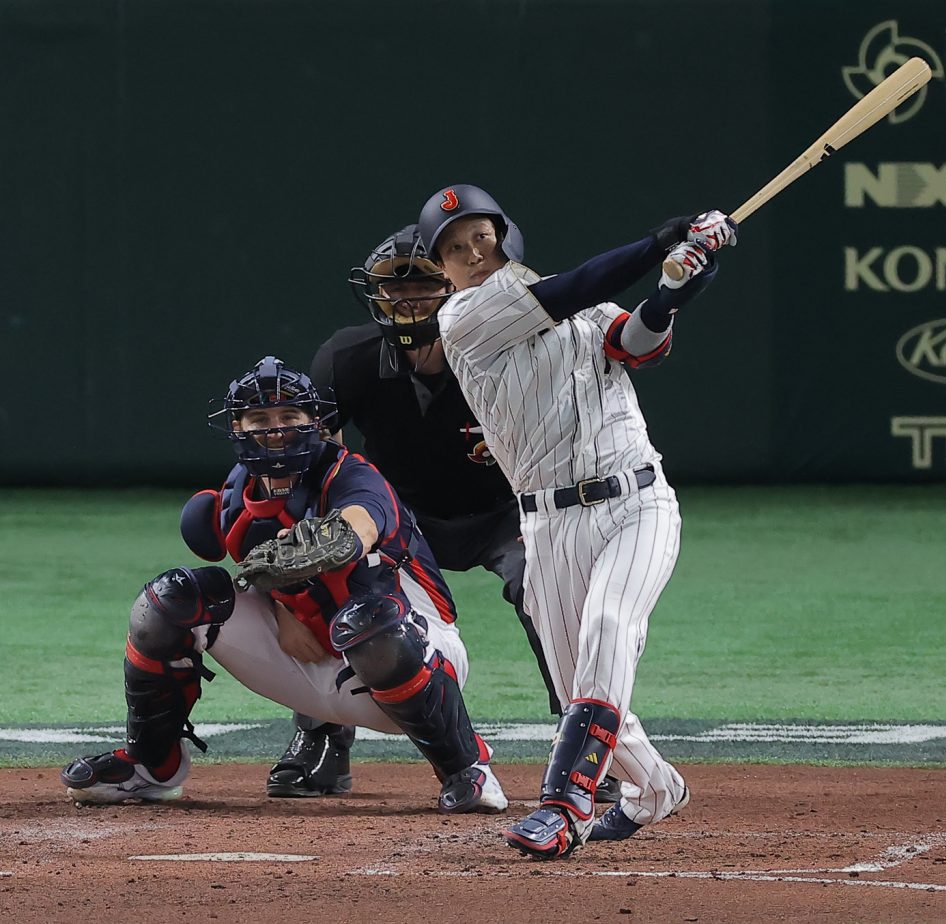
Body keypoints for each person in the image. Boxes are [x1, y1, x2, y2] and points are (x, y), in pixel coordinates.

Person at [416, 184, 737, 858]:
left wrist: (678, 285)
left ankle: (563, 807)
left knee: (609, 628)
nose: (472, 253)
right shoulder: (465, 317)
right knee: (577, 692)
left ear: (506, 234)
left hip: (636, 503)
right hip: (548, 528)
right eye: (453, 248)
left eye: (480, 235)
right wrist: (658, 244)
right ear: (441, 269)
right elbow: (568, 291)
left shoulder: (583, 302)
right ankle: (655, 790)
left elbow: (635, 341)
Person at [60, 355, 508, 816]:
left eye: (289, 418)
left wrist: (334, 539)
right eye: (260, 419)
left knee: (367, 622)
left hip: (413, 655)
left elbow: (363, 523)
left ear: (315, 423)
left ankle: (467, 769)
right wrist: (282, 609)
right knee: (170, 599)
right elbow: (255, 574)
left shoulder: (351, 474)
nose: (275, 431)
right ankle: (151, 765)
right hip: (311, 660)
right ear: (238, 426)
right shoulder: (236, 497)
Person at [273, 225, 622, 803]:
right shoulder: (350, 357)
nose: (407, 297)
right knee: (333, 568)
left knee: (548, 588)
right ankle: (322, 738)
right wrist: (294, 595)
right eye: (393, 284)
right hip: (400, 518)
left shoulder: (509, 345)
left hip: (507, 509)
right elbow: (309, 475)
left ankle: (584, 743)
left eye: (424, 282)